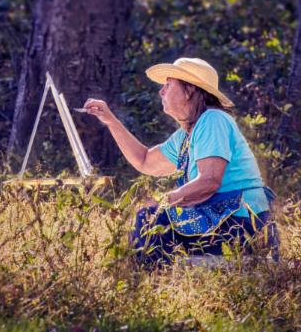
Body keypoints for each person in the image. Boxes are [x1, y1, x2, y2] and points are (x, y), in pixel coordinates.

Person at [82, 57, 277, 268]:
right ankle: (153, 278)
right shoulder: (186, 135)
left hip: (242, 223)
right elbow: (145, 160)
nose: (161, 91)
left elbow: (210, 181)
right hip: (224, 220)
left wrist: (163, 202)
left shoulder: (213, 119)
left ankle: (150, 281)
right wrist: (110, 120)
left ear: (189, 90)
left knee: (150, 219)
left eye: (168, 85)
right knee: (151, 220)